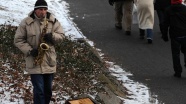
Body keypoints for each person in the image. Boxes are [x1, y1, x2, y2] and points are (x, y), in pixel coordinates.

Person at [14, 0, 65, 103]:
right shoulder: (26, 23)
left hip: (49, 61)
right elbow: (18, 40)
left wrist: (52, 36)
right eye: (41, 9)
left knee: (47, 91)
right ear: (35, 10)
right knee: (39, 91)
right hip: (34, 62)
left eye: (45, 9)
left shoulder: (53, 21)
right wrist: (30, 50)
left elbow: (62, 36)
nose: (43, 12)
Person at [161, 0, 186, 78]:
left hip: (174, 34)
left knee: (175, 54)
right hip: (185, 33)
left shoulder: (168, 10)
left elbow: (165, 23)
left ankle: (177, 71)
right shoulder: (184, 9)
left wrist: (164, 35)